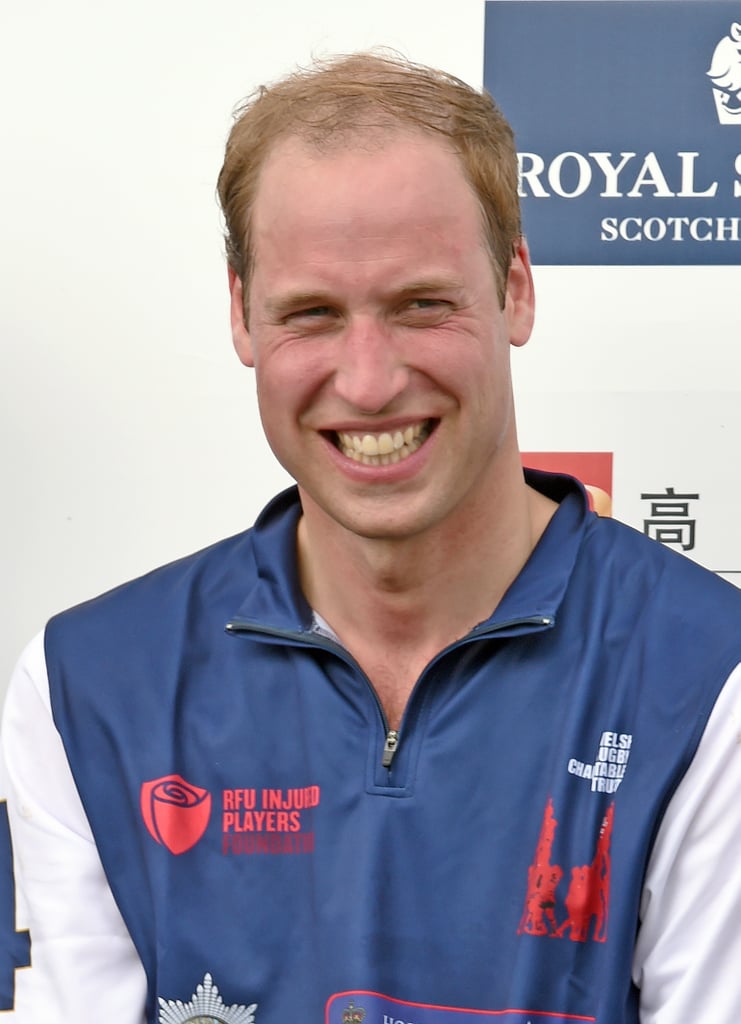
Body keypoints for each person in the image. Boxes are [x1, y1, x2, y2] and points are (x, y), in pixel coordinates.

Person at [1, 51, 740, 1024]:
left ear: (515, 287)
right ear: (241, 318)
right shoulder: (84, 685)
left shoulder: (709, 674)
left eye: (420, 304)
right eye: (312, 314)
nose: (368, 379)